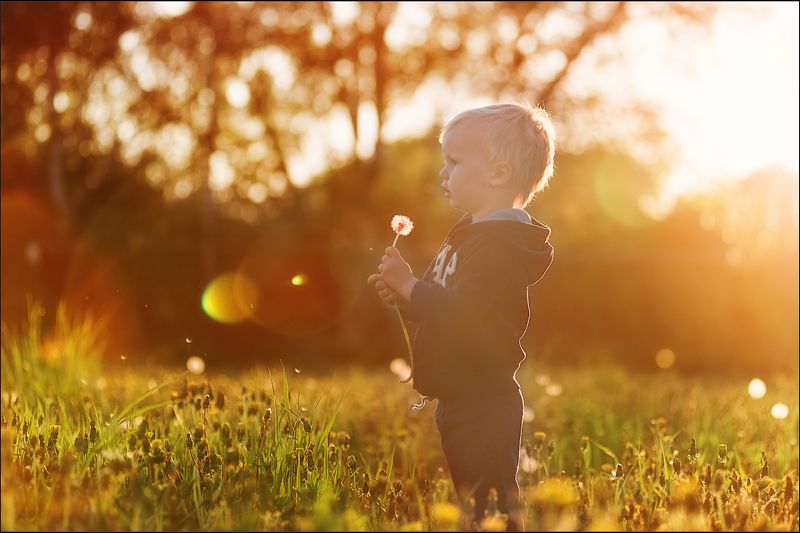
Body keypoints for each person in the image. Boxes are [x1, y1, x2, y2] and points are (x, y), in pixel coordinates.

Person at [368, 102, 556, 531]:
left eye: (454, 161)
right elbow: (447, 306)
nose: (442, 173)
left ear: (497, 174)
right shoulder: (473, 236)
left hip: (484, 406)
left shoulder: (495, 248)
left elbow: (463, 313)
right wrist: (405, 296)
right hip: (462, 400)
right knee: (476, 506)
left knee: (491, 513)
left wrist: (413, 288)